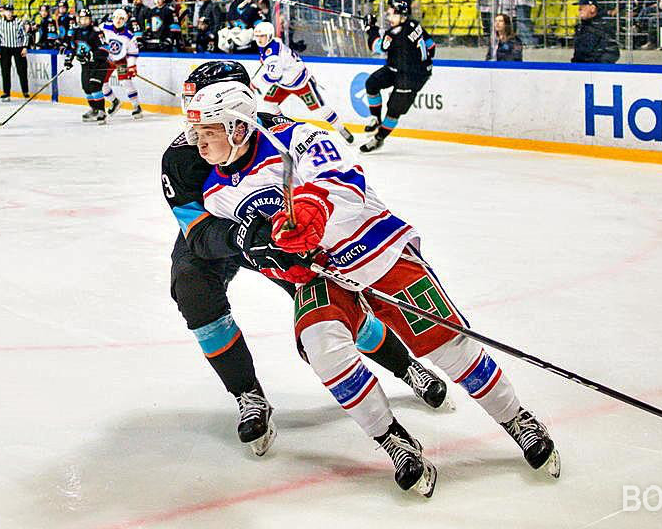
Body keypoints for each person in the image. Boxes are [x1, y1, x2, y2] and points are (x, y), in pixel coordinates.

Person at [183, 81, 559, 496]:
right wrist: (279, 263)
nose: (199, 144)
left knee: (446, 345)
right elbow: (256, 250)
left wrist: (314, 208)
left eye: (209, 132)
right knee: (322, 348)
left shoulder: (298, 138)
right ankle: (394, 439)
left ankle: (516, 419)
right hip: (322, 275)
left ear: (238, 127)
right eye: (197, 134)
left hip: (374, 248)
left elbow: (348, 183)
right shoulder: (215, 194)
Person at [165, 61, 447, 457]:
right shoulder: (179, 158)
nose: (194, 125)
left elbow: (331, 184)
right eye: (190, 104)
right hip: (225, 233)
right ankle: (249, 395)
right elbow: (197, 233)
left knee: (330, 306)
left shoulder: (279, 136)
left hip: (281, 231)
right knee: (192, 288)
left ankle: (406, 367)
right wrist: (243, 235)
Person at [252, 21, 353, 143]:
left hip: (301, 83)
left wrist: (256, 83)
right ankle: (285, 128)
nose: (259, 40)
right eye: (257, 36)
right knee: (269, 103)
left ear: (269, 35)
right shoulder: (274, 42)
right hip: (284, 84)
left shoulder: (272, 55)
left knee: (319, 110)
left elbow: (274, 76)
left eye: (262, 36)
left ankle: (341, 129)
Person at [360, 3, 435, 153]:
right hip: (398, 68)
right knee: (372, 83)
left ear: (402, 16)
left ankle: (378, 139)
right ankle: (376, 119)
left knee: (394, 111)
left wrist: (370, 28)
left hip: (413, 77)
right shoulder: (414, 24)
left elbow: (377, 46)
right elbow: (431, 46)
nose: (389, 18)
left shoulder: (396, 33)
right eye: (388, 14)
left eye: (392, 15)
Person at [64, 9, 110, 123]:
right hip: (85, 66)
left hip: (99, 65)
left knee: (94, 86)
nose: (84, 21)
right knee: (86, 88)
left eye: (86, 19)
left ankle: (101, 111)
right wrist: (69, 60)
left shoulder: (96, 32)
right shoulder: (75, 32)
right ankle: (94, 109)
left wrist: (92, 55)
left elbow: (105, 49)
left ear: (90, 19)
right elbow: (73, 48)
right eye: (82, 19)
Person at [102, 7, 142, 118]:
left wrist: (132, 66)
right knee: (102, 82)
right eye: (116, 18)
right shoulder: (105, 27)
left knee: (125, 82)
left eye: (121, 18)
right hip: (109, 59)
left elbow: (133, 52)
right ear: (113, 18)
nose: (118, 20)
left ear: (125, 20)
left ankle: (136, 106)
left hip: (121, 60)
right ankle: (114, 102)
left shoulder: (129, 35)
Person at [0, 5, 30, 100]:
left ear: (13, 12)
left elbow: (25, 35)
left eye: (10, 11)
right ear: (4, 12)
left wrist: (25, 47)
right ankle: (6, 92)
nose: (9, 13)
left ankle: (25, 91)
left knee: (22, 70)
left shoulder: (19, 22)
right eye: (7, 11)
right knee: (5, 71)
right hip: (5, 48)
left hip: (18, 48)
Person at [571, 0, 620, 64]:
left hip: (597, 68)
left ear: (592, 8)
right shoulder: (580, 27)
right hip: (581, 67)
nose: (579, 10)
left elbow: (612, 52)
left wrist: (597, 67)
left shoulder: (603, 26)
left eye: (582, 7)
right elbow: (578, 51)